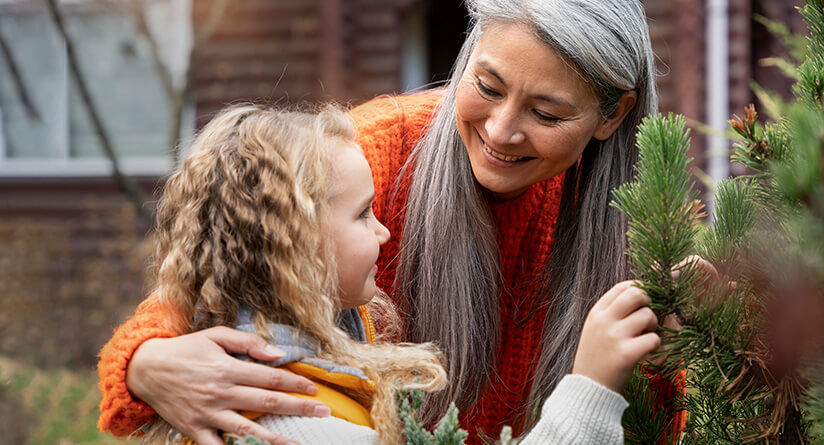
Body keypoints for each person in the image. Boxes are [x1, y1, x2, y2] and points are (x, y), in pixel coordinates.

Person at [97, 0, 698, 443]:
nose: (501, 130)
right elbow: (219, 272)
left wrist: (695, 334)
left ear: (611, 115)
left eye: (546, 112)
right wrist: (145, 364)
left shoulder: (638, 223)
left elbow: (656, 423)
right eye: (487, 86)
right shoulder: (368, 159)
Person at [129, 103, 665, 444]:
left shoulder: (288, 370)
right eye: (364, 214)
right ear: (292, 245)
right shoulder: (286, 418)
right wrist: (591, 387)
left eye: (546, 111)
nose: (386, 232)